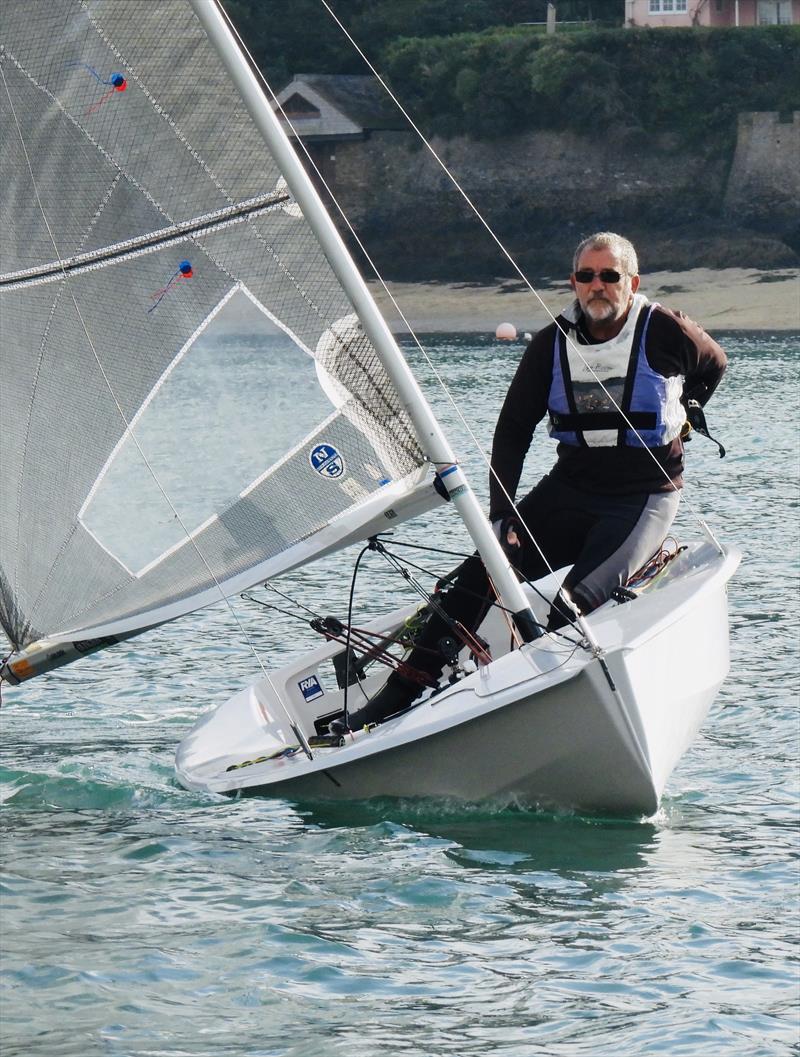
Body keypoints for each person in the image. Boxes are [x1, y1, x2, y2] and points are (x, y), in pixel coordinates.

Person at [333, 231, 727, 735]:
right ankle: (396, 696)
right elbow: (513, 432)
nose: (597, 287)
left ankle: (546, 720)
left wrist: (685, 408)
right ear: (573, 283)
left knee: (569, 609)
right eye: (587, 277)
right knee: (476, 579)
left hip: (643, 498)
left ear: (632, 282)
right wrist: (503, 516)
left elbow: (715, 364)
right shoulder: (550, 344)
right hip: (570, 489)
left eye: (610, 276)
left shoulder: (666, 331)